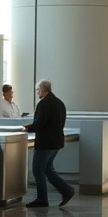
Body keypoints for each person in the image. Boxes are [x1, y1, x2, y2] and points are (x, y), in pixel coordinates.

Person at [23, 79, 74, 208]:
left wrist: (29, 128)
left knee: (38, 169)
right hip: (56, 142)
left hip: (45, 142)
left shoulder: (44, 104)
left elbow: (40, 123)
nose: (37, 93)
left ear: (43, 90)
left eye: (38, 90)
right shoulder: (59, 103)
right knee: (47, 169)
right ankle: (66, 190)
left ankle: (42, 198)